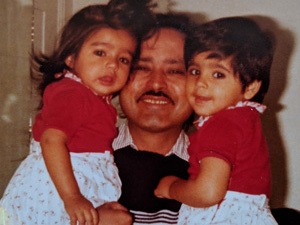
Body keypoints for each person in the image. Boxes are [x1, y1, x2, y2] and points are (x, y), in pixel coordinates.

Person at [0, 1, 154, 225]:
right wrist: (73, 198)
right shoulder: (72, 93)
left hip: (74, 185)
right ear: (71, 58)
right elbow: (52, 141)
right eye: (100, 53)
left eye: (123, 59)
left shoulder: (94, 98)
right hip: (57, 189)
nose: (112, 65)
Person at [154, 17, 278, 225]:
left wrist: (172, 187)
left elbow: (208, 193)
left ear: (250, 88)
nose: (201, 83)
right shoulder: (245, 119)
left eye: (218, 74)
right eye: (195, 71)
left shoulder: (221, 124)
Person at [97, 13, 195, 225]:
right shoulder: (75, 160)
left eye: (176, 70)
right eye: (141, 67)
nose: (157, 84)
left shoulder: (218, 172)